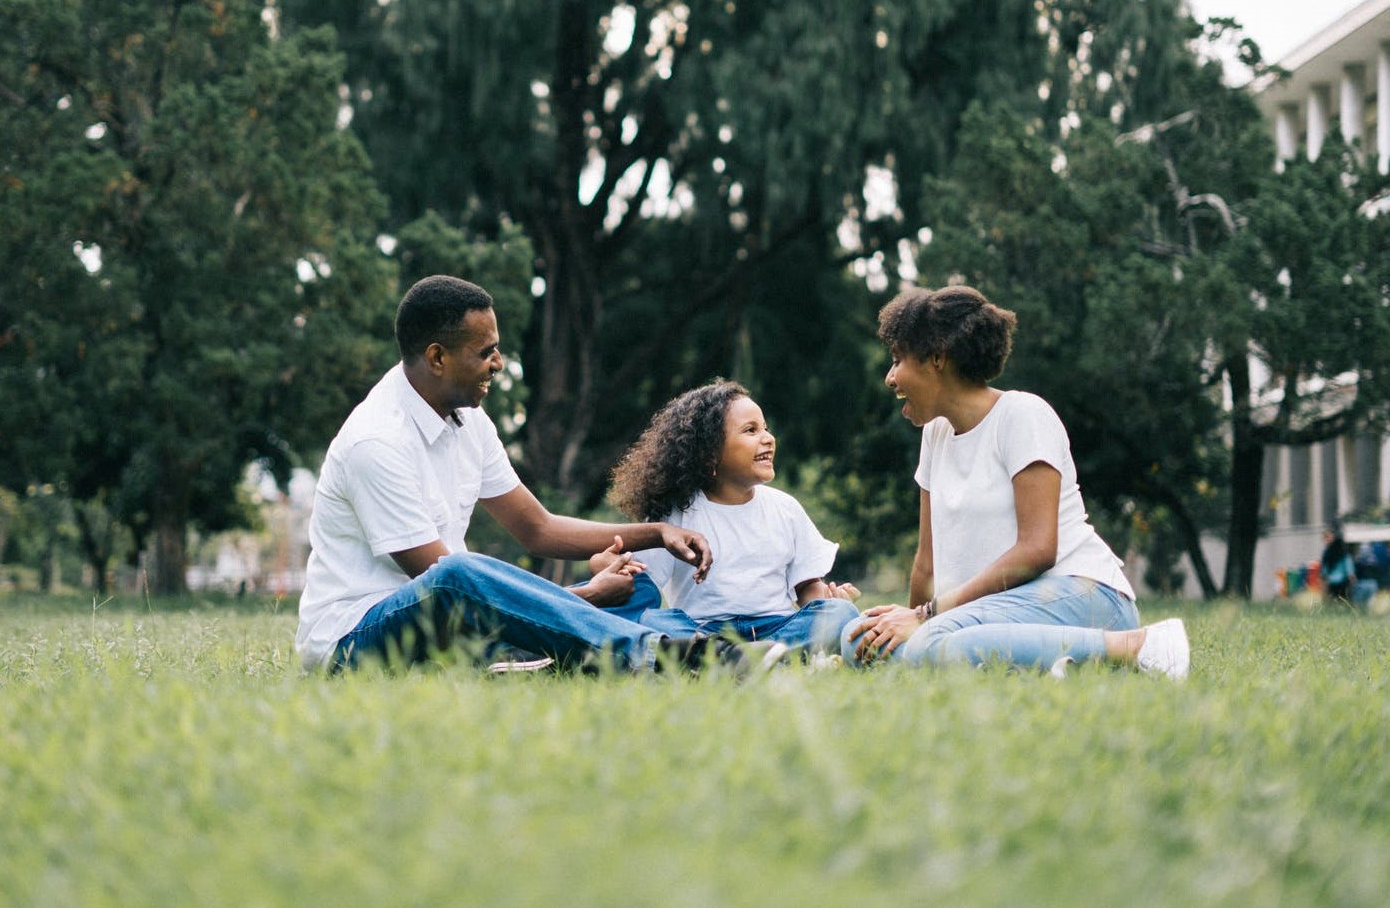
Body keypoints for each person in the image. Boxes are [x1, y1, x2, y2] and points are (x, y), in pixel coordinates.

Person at [295, 275, 777, 675]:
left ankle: (548, 657)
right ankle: (664, 655)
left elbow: (538, 529)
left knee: (633, 593)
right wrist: (583, 595)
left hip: (450, 624)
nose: (498, 364)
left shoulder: (469, 422)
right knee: (457, 571)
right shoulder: (376, 441)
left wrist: (656, 533)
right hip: (355, 641)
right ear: (438, 357)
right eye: (486, 353)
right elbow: (443, 583)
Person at [840, 284, 1190, 679]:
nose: (890, 377)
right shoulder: (935, 435)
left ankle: (1138, 646)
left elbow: (1038, 550)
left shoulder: (1023, 415)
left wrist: (927, 617)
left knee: (932, 643)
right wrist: (904, 623)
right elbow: (926, 564)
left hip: (1079, 593)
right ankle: (1050, 664)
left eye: (897, 358)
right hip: (990, 611)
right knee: (858, 642)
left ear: (937, 357)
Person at [597, 379, 861, 658]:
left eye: (765, 429)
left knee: (840, 613)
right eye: (750, 430)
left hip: (777, 626)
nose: (768, 438)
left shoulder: (786, 508)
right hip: (702, 632)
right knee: (654, 621)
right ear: (709, 453)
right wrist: (609, 564)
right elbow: (642, 581)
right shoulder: (674, 514)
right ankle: (742, 656)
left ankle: (755, 656)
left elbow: (807, 585)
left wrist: (824, 603)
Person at [1319, 527, 1357, 603]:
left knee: (1343, 602)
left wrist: (1351, 576)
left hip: (1342, 582)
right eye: (1324, 538)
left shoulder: (1339, 550)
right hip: (1334, 583)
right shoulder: (1328, 551)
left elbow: (1347, 563)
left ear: (1333, 537)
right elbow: (1324, 569)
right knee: (1341, 603)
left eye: (1327, 537)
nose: (1326, 540)